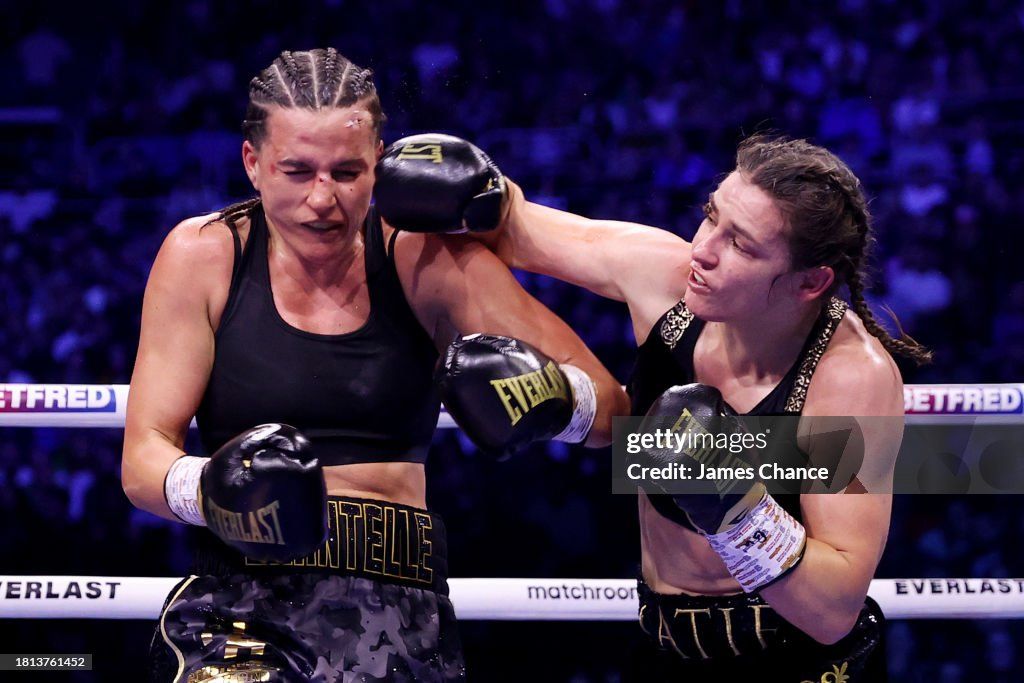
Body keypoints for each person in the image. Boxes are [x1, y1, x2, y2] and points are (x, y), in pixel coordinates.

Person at [120, 48, 628, 683]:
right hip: (240, 607)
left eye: (347, 172)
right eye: (297, 171)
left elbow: (613, 411)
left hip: (399, 608)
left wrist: (555, 396)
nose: (322, 199)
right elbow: (143, 456)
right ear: (253, 163)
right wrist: (218, 493)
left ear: (381, 162)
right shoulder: (204, 255)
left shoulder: (423, 259)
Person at [467, 134, 925, 680]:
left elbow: (832, 611)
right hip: (663, 645)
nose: (703, 250)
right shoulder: (670, 281)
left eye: (742, 245)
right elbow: (506, 220)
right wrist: (459, 185)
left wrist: (733, 506)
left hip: (794, 658)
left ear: (811, 281)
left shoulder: (850, 378)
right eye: (712, 217)